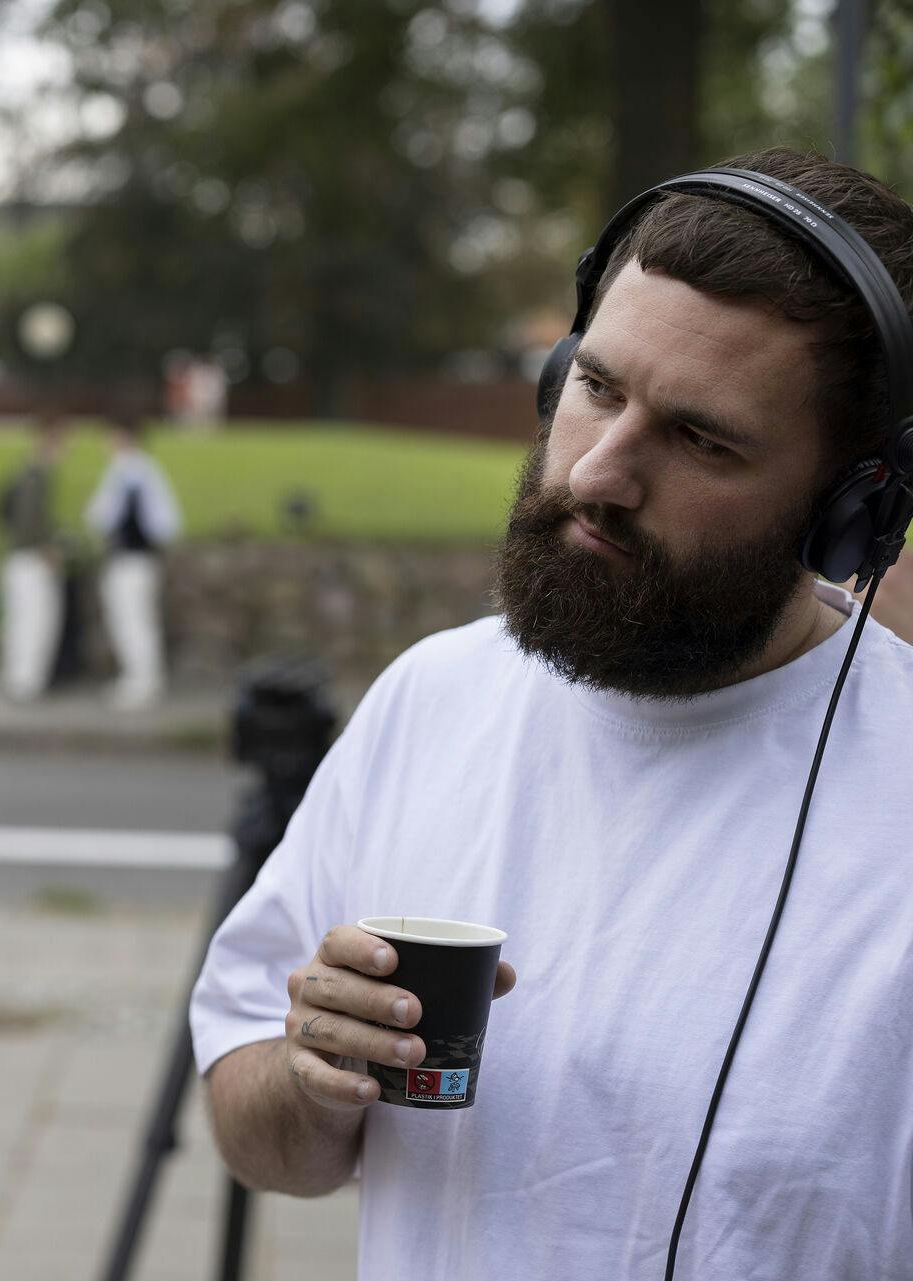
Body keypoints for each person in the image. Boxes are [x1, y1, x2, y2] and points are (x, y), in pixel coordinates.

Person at [191, 149, 913, 1279]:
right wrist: (311, 1076)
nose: (598, 474)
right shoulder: (430, 698)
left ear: (849, 510)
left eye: (701, 438)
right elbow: (255, 1129)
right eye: (598, 388)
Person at [85, 414, 180, 709]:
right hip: (136, 559)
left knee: (132, 620)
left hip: (131, 559)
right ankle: (142, 679)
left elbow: (102, 516)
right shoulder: (141, 470)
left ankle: (141, 682)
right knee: (135, 620)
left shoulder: (129, 472)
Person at [0, 413, 68, 701]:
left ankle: (19, 681)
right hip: (29, 560)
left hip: (20, 558)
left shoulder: (25, 474)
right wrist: (45, 549)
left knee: (21, 621)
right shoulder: (35, 478)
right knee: (32, 622)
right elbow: (27, 521)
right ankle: (24, 683)